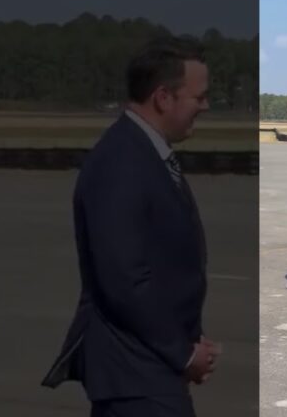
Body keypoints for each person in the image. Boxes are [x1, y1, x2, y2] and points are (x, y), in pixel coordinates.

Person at [42, 36, 218, 417]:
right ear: (163, 97)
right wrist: (184, 352)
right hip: (134, 372)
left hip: (148, 368)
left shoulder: (144, 153)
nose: (205, 105)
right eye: (198, 96)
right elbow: (125, 280)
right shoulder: (122, 162)